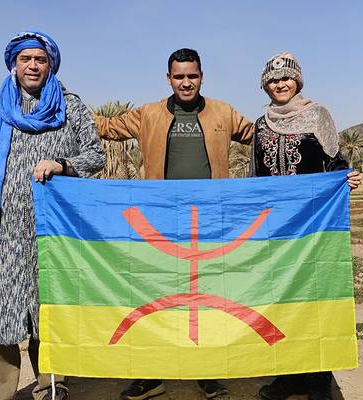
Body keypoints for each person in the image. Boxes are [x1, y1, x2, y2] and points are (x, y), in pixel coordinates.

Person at [0, 30, 105, 400]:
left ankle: (52, 386)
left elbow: (95, 156)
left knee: (48, 310)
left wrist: (62, 164)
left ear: (51, 64)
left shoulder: (70, 106)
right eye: (25, 59)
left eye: (40, 59)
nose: (33, 65)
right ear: (14, 63)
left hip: (53, 232)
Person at [93, 48, 253, 400]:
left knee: (209, 298)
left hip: (211, 220)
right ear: (168, 79)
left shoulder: (223, 112)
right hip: (159, 220)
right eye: (179, 76)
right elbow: (105, 128)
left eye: (192, 76)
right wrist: (64, 104)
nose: (185, 82)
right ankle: (152, 374)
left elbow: (262, 137)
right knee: (155, 295)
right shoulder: (148, 114)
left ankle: (208, 372)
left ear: (202, 76)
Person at [251, 52, 360, 400]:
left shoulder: (318, 115)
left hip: (313, 226)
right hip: (276, 230)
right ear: (265, 85)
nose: (280, 84)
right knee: (280, 298)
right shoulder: (260, 124)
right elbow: (255, 176)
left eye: (286, 78)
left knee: (315, 299)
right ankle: (288, 376)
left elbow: (334, 161)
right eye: (272, 79)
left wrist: (346, 179)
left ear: (297, 80)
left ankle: (318, 380)